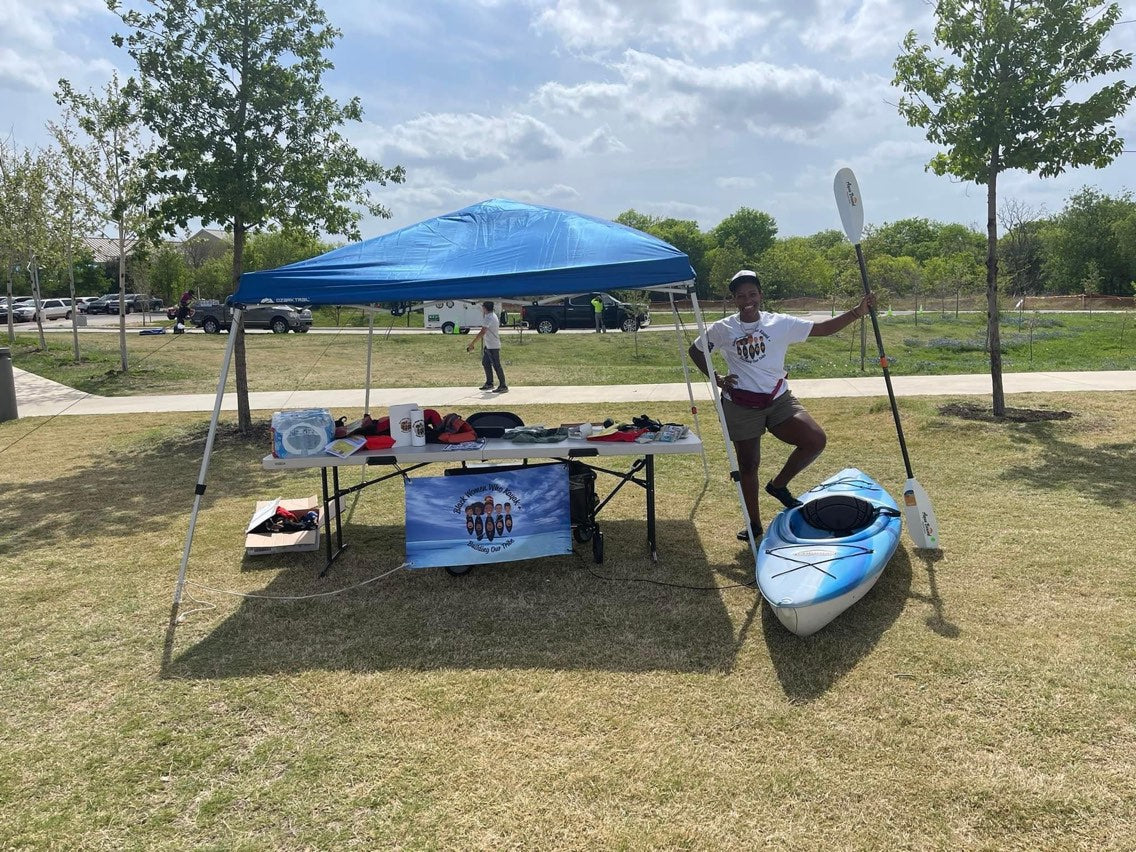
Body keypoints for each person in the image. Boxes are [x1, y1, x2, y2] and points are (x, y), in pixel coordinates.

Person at [689, 270, 875, 542]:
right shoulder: (723, 328)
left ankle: (778, 485)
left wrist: (857, 312)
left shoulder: (780, 323)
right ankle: (753, 524)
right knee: (748, 464)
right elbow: (696, 350)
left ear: (761, 295)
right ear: (734, 300)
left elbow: (822, 329)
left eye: (752, 293)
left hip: (778, 400)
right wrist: (717, 378)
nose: (747, 299)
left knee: (815, 440)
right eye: (740, 296)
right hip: (741, 404)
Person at [466, 301, 508, 393]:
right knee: (485, 363)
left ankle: (503, 385)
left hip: (493, 346)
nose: (482, 309)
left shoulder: (489, 317)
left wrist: (472, 343)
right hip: (489, 345)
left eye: (483, 307)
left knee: (497, 365)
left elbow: (483, 331)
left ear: (485, 308)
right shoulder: (492, 315)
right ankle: (489, 383)